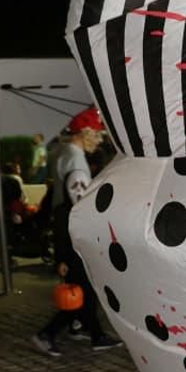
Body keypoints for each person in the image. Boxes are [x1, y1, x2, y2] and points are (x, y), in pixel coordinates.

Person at [32, 109, 120, 356]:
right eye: (97, 134)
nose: (99, 140)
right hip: (73, 238)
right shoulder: (76, 162)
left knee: (83, 289)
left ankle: (90, 332)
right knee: (83, 290)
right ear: (84, 133)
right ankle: (48, 334)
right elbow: (78, 210)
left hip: (68, 235)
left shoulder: (64, 154)